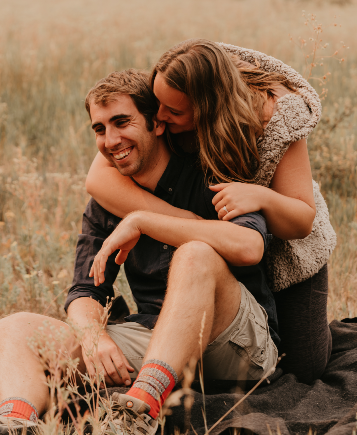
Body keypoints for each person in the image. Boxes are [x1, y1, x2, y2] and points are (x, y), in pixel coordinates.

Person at [0, 69, 279, 435]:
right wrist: (92, 335)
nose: (110, 140)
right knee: (15, 327)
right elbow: (85, 291)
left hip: (235, 341)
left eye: (121, 122)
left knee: (196, 254)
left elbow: (249, 246)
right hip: (154, 338)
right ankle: (16, 423)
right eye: (99, 129)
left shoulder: (210, 170)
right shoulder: (107, 200)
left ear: (157, 123)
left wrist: (145, 221)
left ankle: (138, 414)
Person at [86, 39, 336, 382]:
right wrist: (180, 221)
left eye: (173, 111)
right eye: (157, 104)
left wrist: (259, 197)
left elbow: (301, 221)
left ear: (206, 108)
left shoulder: (275, 116)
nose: (159, 116)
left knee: (306, 369)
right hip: (224, 234)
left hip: (287, 245)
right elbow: (98, 179)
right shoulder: (173, 95)